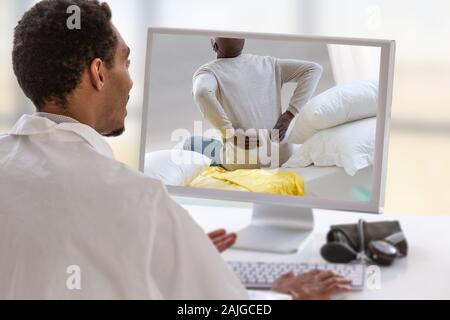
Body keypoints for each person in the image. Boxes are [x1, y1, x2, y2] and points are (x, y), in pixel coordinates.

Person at [0, 0, 351, 299]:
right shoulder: (140, 199)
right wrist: (282, 293)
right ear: (98, 73)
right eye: (125, 61)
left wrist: (168, 254)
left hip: (232, 154)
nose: (131, 78)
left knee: (196, 146)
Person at [190, 37, 323, 169]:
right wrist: (289, 115)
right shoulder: (269, 64)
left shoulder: (209, 72)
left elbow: (201, 92)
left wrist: (229, 133)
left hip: (242, 162)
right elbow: (313, 69)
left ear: (214, 45)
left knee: (190, 142)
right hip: (282, 156)